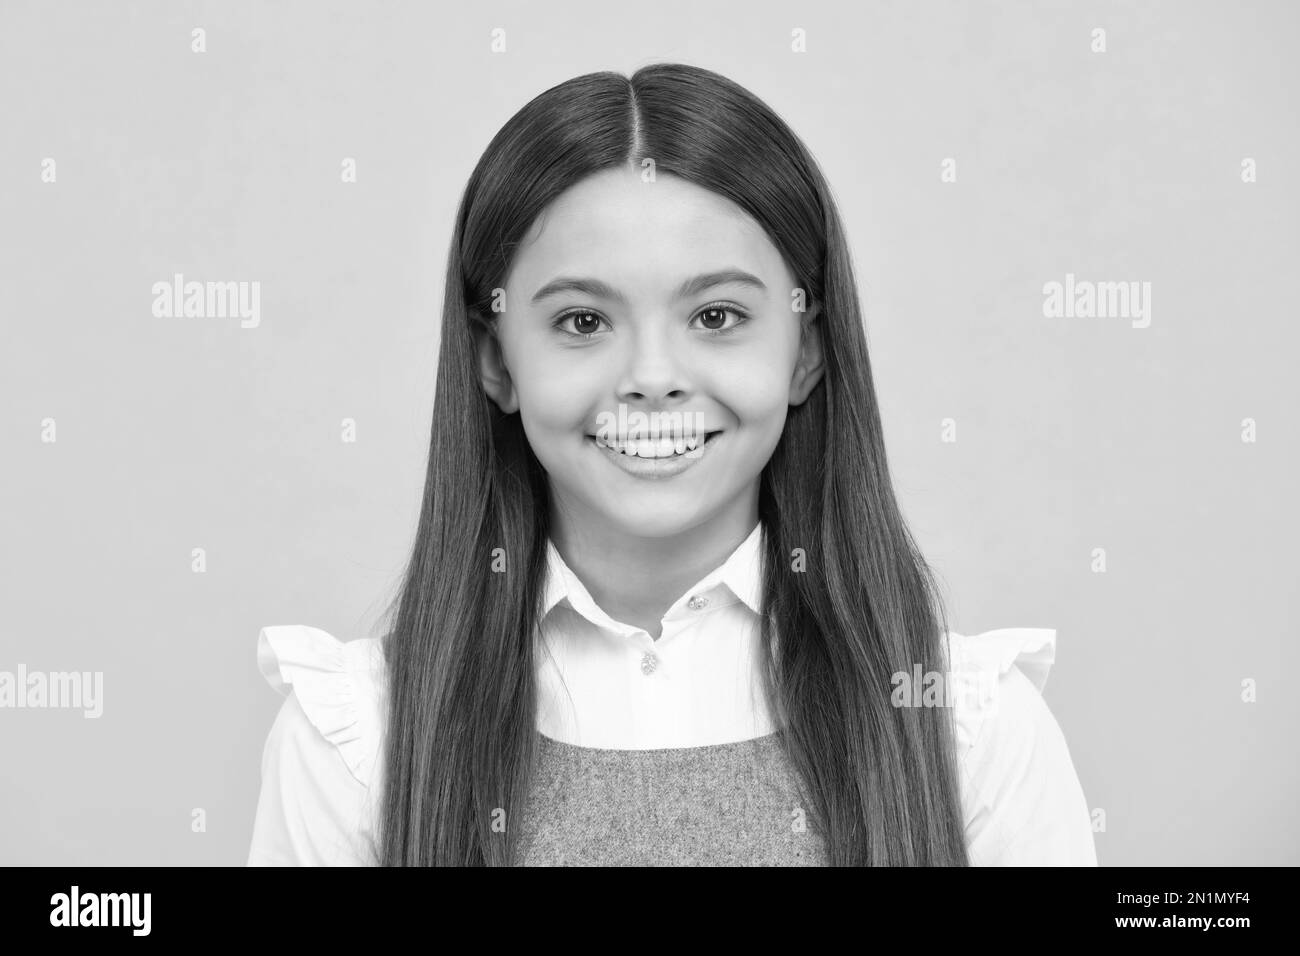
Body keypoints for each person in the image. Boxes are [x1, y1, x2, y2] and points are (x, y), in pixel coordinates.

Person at [247, 63, 1097, 866]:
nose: (652, 378)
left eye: (718, 315)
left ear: (806, 350)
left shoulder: (969, 728)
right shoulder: (357, 739)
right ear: (496, 362)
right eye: (582, 322)